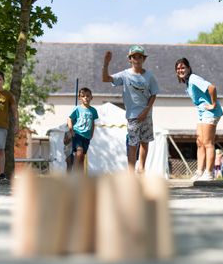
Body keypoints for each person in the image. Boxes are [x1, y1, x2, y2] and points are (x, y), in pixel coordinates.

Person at [102, 45, 159, 173]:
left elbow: (154, 94)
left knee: (145, 141)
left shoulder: (149, 76)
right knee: (132, 143)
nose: (137, 59)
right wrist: (106, 64)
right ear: (130, 59)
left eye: (140, 57)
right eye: (134, 57)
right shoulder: (125, 75)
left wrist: (146, 110)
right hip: (133, 115)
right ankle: (131, 172)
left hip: (147, 114)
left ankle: (142, 169)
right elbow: (106, 79)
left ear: (144, 59)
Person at [175, 57, 223, 181]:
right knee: (199, 142)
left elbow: (211, 88)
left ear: (189, 68)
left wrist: (213, 104)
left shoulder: (193, 78)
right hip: (201, 112)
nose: (180, 70)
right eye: (178, 68)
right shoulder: (187, 82)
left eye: (183, 67)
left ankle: (209, 173)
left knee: (208, 143)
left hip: (210, 112)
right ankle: (199, 171)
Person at [67, 87, 99, 173]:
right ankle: (74, 172)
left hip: (87, 136)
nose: (86, 98)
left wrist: (92, 133)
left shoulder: (93, 111)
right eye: (83, 96)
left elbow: (92, 123)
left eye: (88, 96)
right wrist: (71, 130)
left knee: (82, 157)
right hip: (77, 134)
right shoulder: (77, 108)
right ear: (79, 98)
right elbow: (69, 119)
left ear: (91, 98)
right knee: (79, 151)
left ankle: (80, 177)